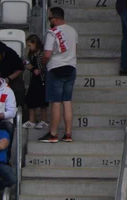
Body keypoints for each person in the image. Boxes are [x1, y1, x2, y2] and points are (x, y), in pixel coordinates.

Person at [40, 7, 78, 143]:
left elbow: (47, 54)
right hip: (71, 68)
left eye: (50, 18)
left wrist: (42, 64)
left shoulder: (52, 33)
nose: (49, 21)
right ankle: (68, 134)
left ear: (55, 19)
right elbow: (75, 49)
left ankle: (53, 134)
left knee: (55, 102)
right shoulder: (73, 31)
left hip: (56, 68)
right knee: (67, 101)